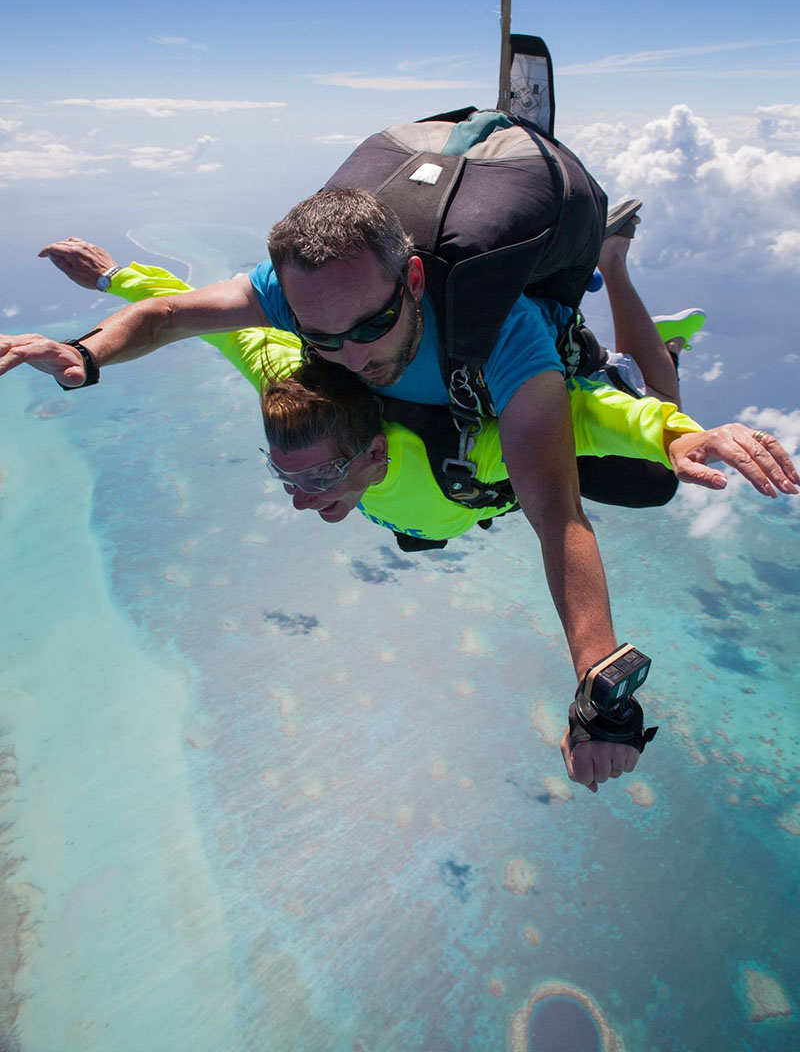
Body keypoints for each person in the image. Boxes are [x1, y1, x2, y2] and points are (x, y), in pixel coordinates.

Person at [2, 200, 798, 795]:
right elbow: (183, 313)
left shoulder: (475, 428)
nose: (302, 502)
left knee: (654, 464)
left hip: (537, 405)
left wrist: (677, 434)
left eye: (320, 479)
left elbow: (563, 502)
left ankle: (617, 265)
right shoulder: (288, 358)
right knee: (422, 531)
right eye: (287, 478)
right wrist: (98, 314)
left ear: (379, 451)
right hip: (447, 497)